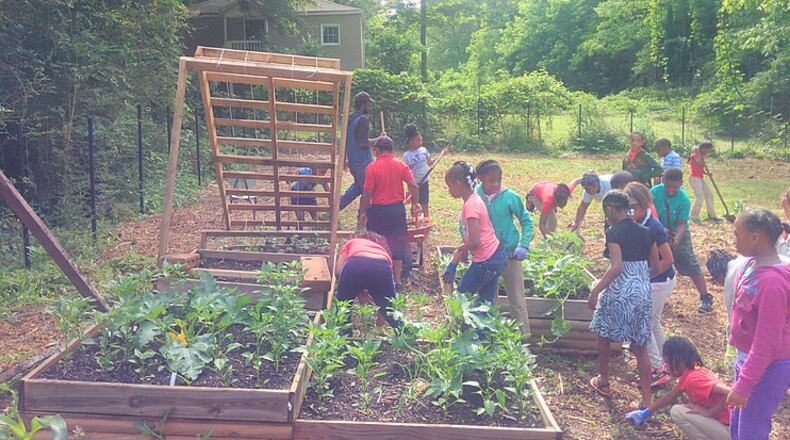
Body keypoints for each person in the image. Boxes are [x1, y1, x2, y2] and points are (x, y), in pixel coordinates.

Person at [588, 191, 659, 409]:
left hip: (619, 291)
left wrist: (595, 291)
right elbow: (656, 267)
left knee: (604, 335)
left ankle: (604, 381)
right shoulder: (647, 231)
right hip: (642, 291)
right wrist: (639, 282)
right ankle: (646, 399)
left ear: (610, 209)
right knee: (640, 346)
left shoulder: (613, 233)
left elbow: (616, 267)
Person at [726, 209, 790, 440]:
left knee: (751, 430)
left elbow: (766, 343)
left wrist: (744, 384)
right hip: (748, 360)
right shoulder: (749, 265)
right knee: (737, 426)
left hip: (768, 367)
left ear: (755, 237)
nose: (733, 239)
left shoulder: (772, 284)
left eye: (737, 234)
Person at [625, 336, 732, 440]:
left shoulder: (693, 379)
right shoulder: (694, 371)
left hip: (730, 431)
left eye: (667, 362)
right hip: (729, 427)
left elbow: (729, 392)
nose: (665, 366)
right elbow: (671, 396)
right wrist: (645, 413)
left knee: (677, 412)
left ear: (677, 360)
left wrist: (709, 412)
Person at [624, 182, 677, 387]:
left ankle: (656, 368)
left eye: (634, 208)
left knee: (642, 324)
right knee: (653, 322)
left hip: (659, 281)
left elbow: (668, 259)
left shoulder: (653, 227)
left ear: (644, 206)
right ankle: (668, 362)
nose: (630, 213)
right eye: (627, 209)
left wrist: (645, 277)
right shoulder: (635, 224)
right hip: (655, 280)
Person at [476, 160, 534, 334]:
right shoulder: (475, 197)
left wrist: (523, 245)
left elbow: (526, 220)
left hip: (510, 255)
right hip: (487, 256)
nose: (495, 184)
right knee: (487, 299)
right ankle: (489, 338)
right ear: (480, 179)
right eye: (491, 180)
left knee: (517, 300)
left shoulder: (510, 197)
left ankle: (523, 340)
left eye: (498, 180)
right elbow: (464, 223)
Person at [357, 136, 420, 292]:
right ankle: (396, 281)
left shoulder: (372, 167)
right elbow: (414, 186)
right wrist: (415, 205)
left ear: (377, 150)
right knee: (397, 245)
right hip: (397, 211)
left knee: (378, 245)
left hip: (378, 211)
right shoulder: (401, 165)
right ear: (391, 150)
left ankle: (379, 279)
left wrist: (362, 212)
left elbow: (367, 193)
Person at [441, 161, 506, 305]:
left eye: (449, 186)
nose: (449, 191)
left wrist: (457, 255)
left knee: (460, 299)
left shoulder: (471, 205)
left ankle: (458, 327)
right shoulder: (474, 200)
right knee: (485, 303)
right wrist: (457, 258)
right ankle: (483, 327)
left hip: (486, 260)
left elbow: (475, 242)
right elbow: (471, 237)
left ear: (457, 184)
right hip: (496, 255)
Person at [651, 168, 714, 313]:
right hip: (656, 229)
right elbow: (651, 213)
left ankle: (705, 297)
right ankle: (654, 293)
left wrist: (677, 239)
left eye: (675, 187)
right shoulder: (654, 192)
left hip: (677, 232)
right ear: (663, 181)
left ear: (681, 183)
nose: (672, 190)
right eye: (668, 186)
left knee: (689, 261)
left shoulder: (684, 199)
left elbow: (681, 223)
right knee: (654, 260)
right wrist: (660, 231)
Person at [334, 231, 401, 328]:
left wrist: (351, 288)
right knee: (389, 308)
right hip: (382, 264)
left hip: (356, 262)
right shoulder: (382, 250)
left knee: (342, 307)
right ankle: (406, 334)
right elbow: (384, 298)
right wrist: (378, 327)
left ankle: (345, 337)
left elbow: (338, 270)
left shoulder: (352, 242)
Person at [339, 92, 385, 210]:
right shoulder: (363, 119)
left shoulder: (349, 118)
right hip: (363, 163)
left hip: (353, 161)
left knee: (358, 187)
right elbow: (363, 143)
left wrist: (344, 158)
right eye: (368, 104)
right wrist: (379, 139)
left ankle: (336, 206)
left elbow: (344, 140)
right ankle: (364, 217)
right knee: (367, 190)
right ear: (363, 105)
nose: (369, 107)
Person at [402, 123, 447, 218]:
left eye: (421, 140)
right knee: (415, 204)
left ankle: (426, 219)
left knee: (425, 203)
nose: (420, 143)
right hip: (414, 184)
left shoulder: (423, 150)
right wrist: (409, 188)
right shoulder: (406, 156)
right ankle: (415, 220)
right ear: (410, 142)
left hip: (424, 182)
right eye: (417, 141)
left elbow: (430, 162)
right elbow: (406, 172)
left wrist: (442, 154)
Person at [688, 141, 722, 224]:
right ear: (703, 148)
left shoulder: (701, 155)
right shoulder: (695, 155)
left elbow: (700, 167)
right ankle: (693, 216)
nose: (708, 152)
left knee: (709, 194)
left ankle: (712, 216)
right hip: (694, 178)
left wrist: (706, 173)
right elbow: (699, 163)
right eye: (708, 150)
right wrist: (698, 153)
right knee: (700, 197)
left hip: (699, 178)